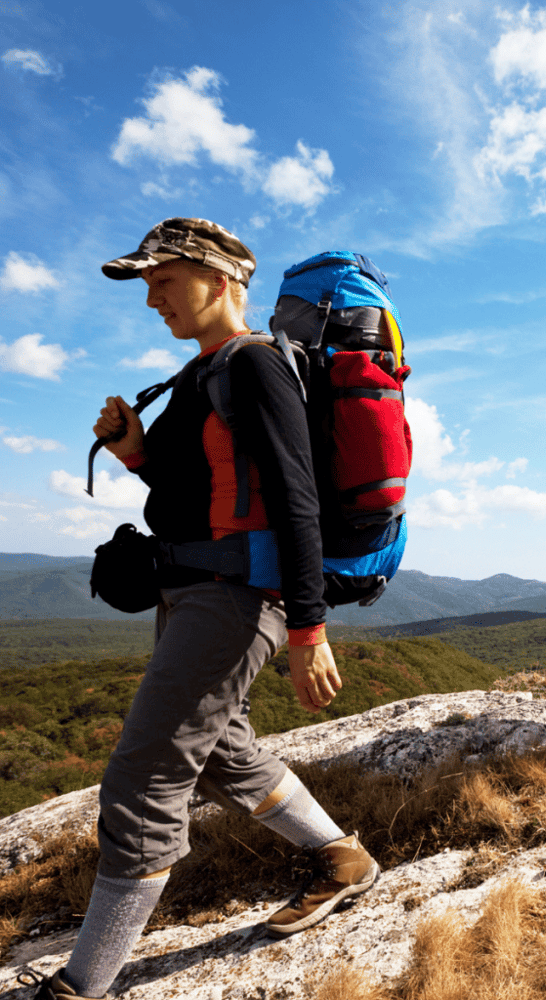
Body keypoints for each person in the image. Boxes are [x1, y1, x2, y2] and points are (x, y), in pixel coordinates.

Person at [22, 219, 379, 1000]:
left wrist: (309, 626)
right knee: (221, 753)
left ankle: (83, 985)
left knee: (143, 780)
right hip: (193, 592)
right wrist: (137, 452)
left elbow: (296, 499)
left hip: (237, 600)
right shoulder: (201, 374)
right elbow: (199, 495)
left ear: (220, 281)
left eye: (164, 281)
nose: (153, 299)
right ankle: (343, 858)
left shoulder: (255, 366)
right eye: (148, 286)